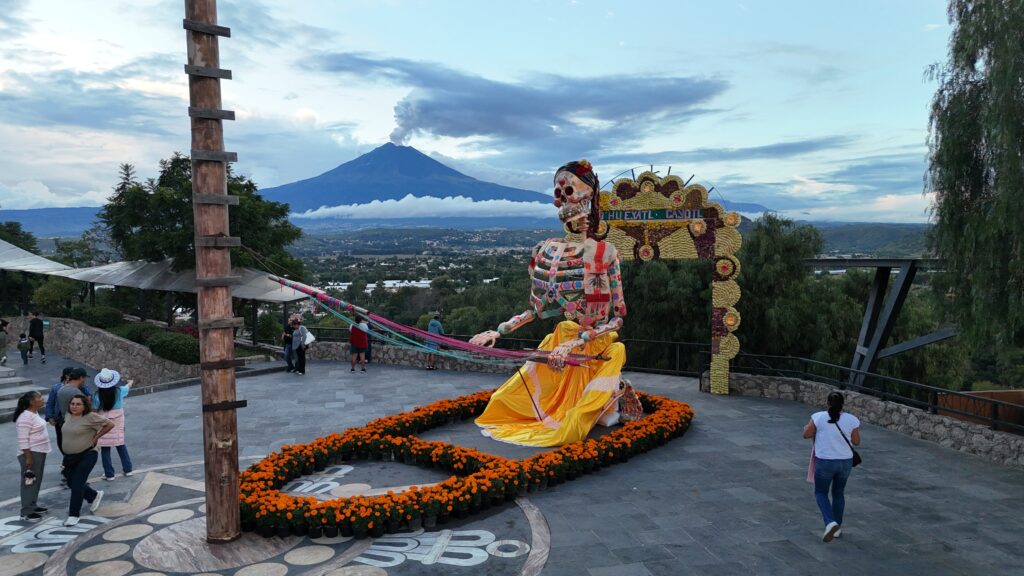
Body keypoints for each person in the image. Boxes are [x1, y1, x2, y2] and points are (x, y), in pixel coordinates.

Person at [470, 160, 627, 447]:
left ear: (588, 197)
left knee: (574, 419)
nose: (564, 199)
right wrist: (499, 332)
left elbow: (617, 319)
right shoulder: (547, 251)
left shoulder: (605, 253)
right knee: (502, 400)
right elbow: (535, 310)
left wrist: (575, 343)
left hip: (596, 346)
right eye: (559, 191)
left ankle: (607, 399)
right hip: (566, 342)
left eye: (569, 190)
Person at [803, 391, 861, 542]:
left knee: (821, 493)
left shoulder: (819, 417)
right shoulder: (851, 420)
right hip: (845, 463)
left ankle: (830, 522)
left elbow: (806, 434)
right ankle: (837, 528)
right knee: (838, 493)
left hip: (825, 462)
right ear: (842, 405)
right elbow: (856, 441)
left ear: (827, 403)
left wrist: (808, 428)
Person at [60, 394, 112, 526]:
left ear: (84, 406)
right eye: (72, 404)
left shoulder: (91, 417)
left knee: (77, 483)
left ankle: (73, 515)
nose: (74, 406)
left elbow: (110, 424)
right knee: (71, 482)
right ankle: (93, 495)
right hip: (70, 457)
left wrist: (96, 437)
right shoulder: (68, 415)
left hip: (87, 454)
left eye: (78, 404)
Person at [14, 391, 50, 523]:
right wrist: (28, 457)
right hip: (31, 453)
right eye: (39, 397)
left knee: (36, 480)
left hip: (39, 451)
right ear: (31, 402)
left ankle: (32, 505)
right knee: (29, 482)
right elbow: (23, 440)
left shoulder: (34, 413)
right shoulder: (25, 418)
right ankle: (26, 511)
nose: (42, 399)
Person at [92, 369, 134, 480]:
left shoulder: (97, 396)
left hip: (104, 423)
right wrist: (130, 382)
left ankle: (109, 474)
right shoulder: (120, 391)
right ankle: (128, 469)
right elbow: (128, 387)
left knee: (105, 448)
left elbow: (94, 411)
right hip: (118, 422)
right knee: (120, 444)